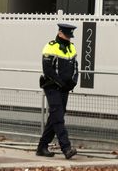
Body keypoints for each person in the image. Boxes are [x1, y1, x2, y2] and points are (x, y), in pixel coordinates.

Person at [36, 22, 78, 158]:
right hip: (52, 87)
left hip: (65, 89)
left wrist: (72, 83)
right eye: (66, 35)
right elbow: (47, 70)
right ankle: (66, 148)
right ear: (60, 33)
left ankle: (42, 147)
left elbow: (76, 68)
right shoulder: (50, 46)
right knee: (58, 117)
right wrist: (61, 83)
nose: (69, 38)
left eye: (70, 35)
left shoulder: (72, 48)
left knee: (55, 117)